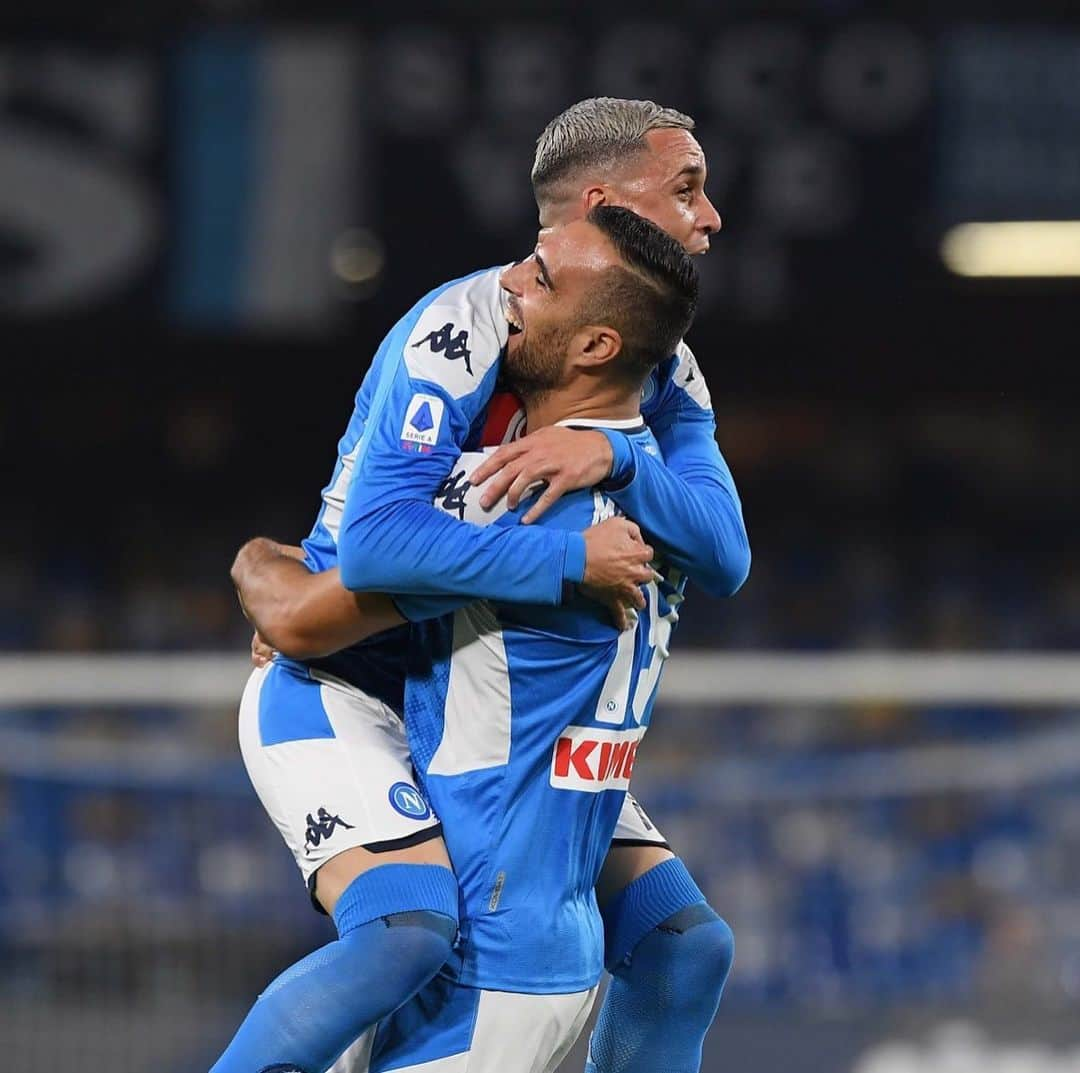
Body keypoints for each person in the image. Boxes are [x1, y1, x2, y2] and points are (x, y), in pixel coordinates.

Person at [218, 99, 749, 1073]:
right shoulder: (463, 328)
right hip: (351, 669)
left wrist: (615, 460)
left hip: (476, 681)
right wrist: (566, 563)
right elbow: (360, 566)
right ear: (602, 203)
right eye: (688, 187)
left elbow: (726, 554)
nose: (709, 215)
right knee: (410, 934)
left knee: (685, 945)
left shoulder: (656, 359)